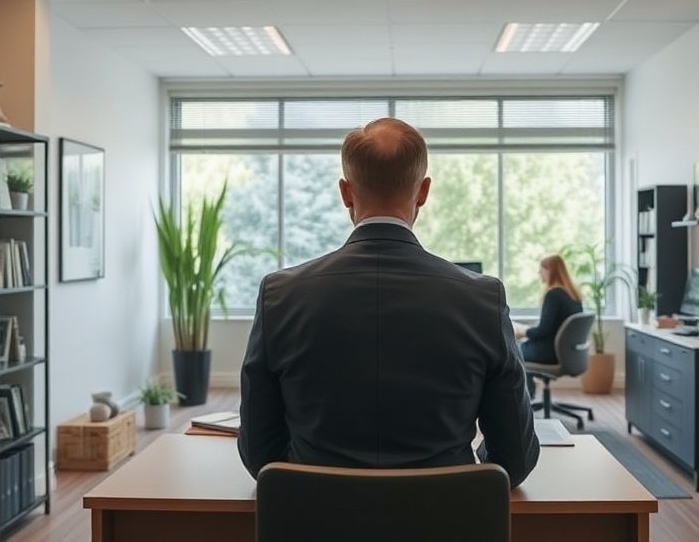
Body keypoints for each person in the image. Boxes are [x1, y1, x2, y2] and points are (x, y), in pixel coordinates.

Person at [238, 117, 539, 487]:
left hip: (315, 521)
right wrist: (466, 478)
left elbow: (259, 455)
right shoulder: (482, 299)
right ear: (423, 191)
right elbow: (515, 459)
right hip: (449, 518)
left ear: (346, 192)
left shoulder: (280, 295)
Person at [513, 254, 584, 395]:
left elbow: (544, 330)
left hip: (550, 352)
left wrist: (523, 332)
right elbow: (552, 328)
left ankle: (525, 400)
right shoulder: (573, 295)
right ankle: (528, 396)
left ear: (549, 271)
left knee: (512, 352)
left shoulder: (554, 295)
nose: (540, 276)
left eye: (542, 271)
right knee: (518, 348)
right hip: (567, 353)